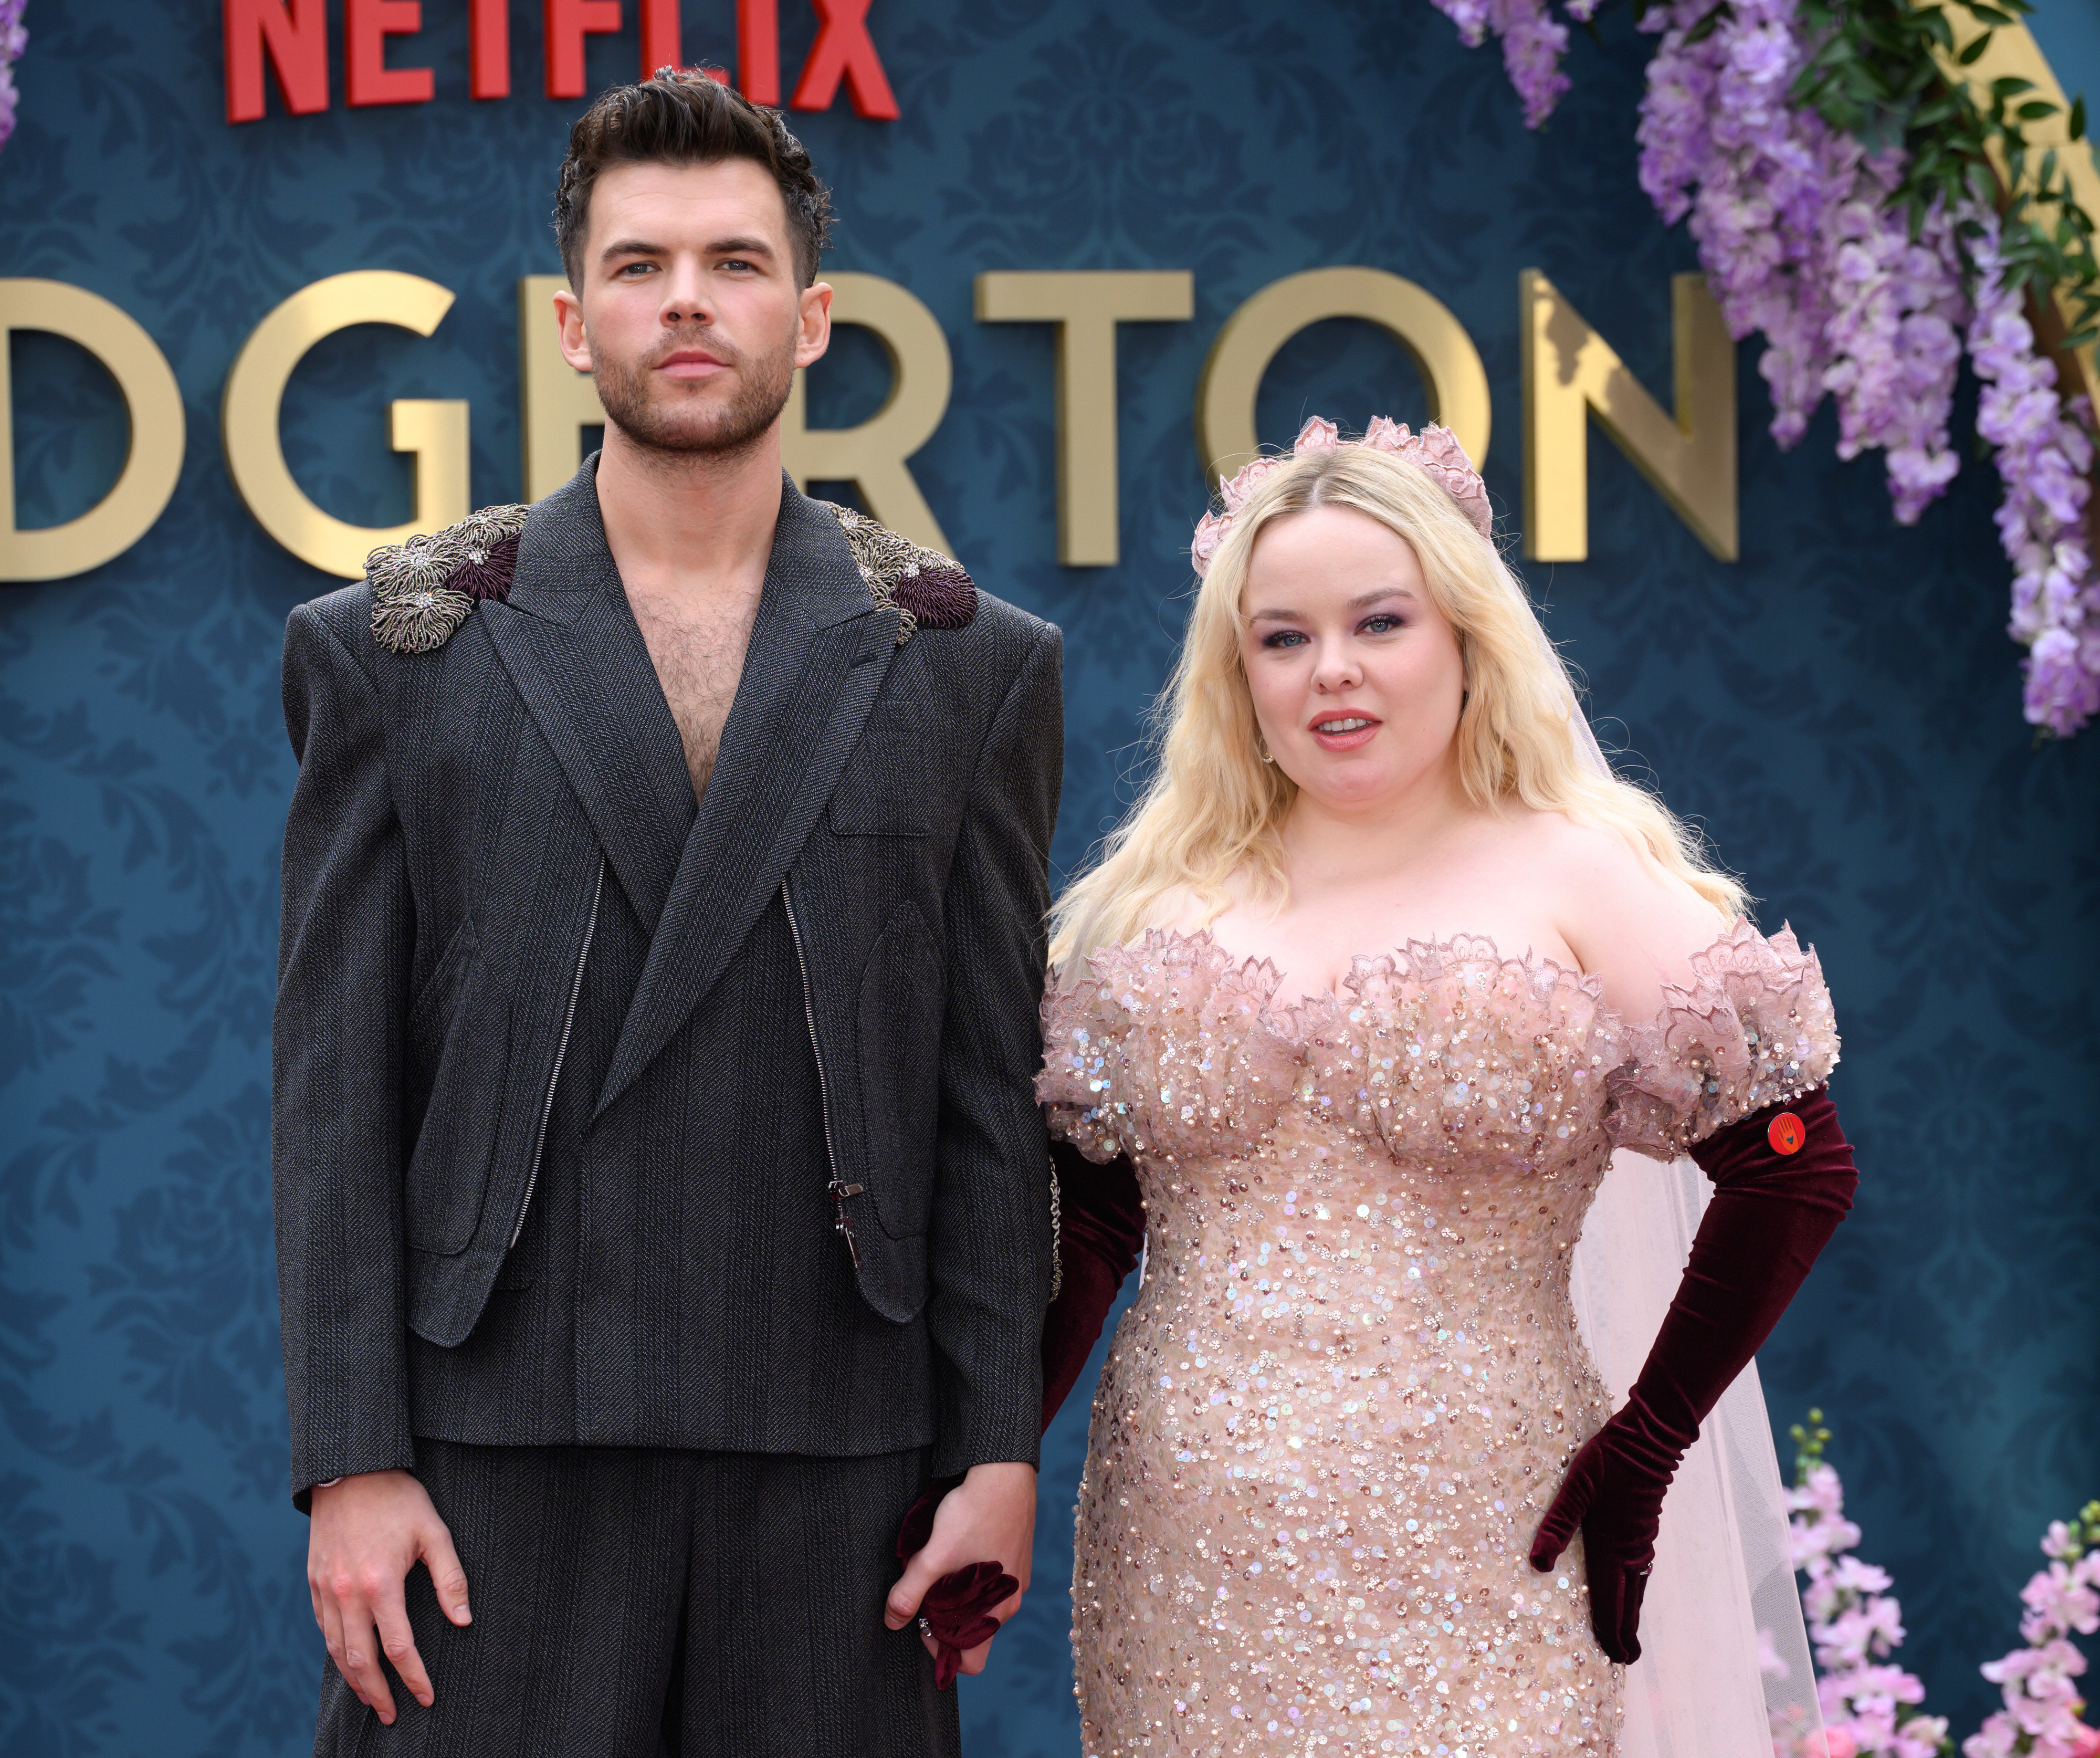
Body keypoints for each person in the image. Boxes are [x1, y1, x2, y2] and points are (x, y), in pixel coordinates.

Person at [272, 71, 1059, 1757]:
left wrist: (997, 1442)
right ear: (572, 324)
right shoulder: (393, 647)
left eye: (733, 261)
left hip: (839, 1447)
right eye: (638, 266)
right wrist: (353, 1454)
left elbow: (987, 1096)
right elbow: (335, 1091)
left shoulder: (969, 663)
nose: (686, 300)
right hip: (494, 1445)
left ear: (816, 315)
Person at [1031, 417, 1858, 1756]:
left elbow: (1793, 1163)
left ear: (1465, 636)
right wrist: (993, 1464)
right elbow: (1092, 1228)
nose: (1331, 671)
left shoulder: (1576, 879)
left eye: (1380, 623)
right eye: (1282, 637)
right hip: (1181, 1553)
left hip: (1487, 1536)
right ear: (1234, 673)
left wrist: (1642, 1446)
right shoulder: (1155, 904)